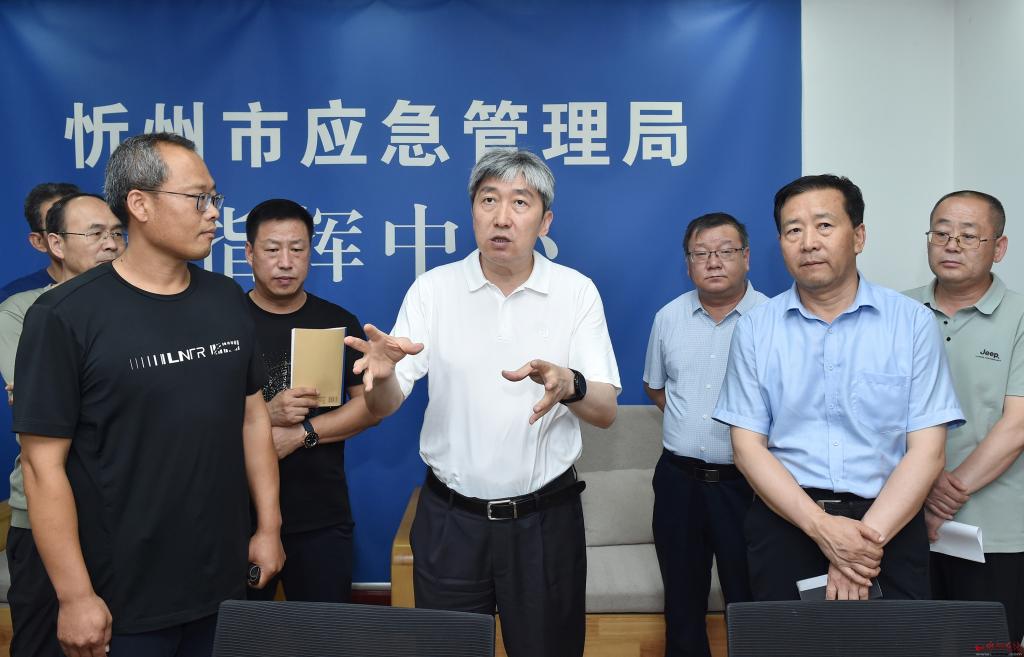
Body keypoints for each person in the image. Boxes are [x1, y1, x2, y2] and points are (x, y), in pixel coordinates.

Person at [13, 132, 284, 657]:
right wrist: (74, 596)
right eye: (198, 198)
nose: (214, 213)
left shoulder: (226, 298)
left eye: (215, 198)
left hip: (223, 580)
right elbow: (42, 467)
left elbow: (253, 417)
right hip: (121, 596)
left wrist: (269, 527)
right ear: (139, 204)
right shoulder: (64, 316)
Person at [346, 149, 620, 657]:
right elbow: (385, 404)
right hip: (452, 521)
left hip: (544, 522)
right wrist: (379, 378)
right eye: (489, 200)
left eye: (520, 202)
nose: (502, 216)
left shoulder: (575, 292)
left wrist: (570, 384)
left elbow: (604, 410)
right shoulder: (433, 290)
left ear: (545, 221)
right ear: (472, 211)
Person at [713, 174, 964, 602]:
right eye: (793, 230)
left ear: (859, 236)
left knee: (892, 639)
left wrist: (861, 544)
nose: (809, 242)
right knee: (787, 640)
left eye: (825, 225)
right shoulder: (755, 329)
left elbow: (928, 451)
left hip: (889, 525)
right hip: (789, 522)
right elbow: (747, 448)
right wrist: (823, 529)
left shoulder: (912, 323)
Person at [1, 192, 124, 657]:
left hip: (122, 512)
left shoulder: (141, 306)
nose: (110, 244)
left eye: (117, 233)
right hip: (42, 514)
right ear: (54, 243)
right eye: (95, 234)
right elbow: (36, 401)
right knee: (42, 642)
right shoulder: (23, 310)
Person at [643, 212, 766, 657]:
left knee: (749, 597)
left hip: (749, 486)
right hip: (679, 482)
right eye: (701, 253)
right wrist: (691, 424)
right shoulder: (668, 318)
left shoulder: (775, 319)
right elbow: (656, 388)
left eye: (725, 251)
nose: (714, 262)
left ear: (746, 257)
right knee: (681, 599)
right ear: (688, 263)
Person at [243, 198, 378, 603]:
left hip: (321, 517)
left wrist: (302, 434)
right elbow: (195, 415)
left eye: (297, 249)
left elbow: (369, 407)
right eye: (272, 249)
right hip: (237, 517)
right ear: (249, 253)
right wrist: (266, 416)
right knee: (239, 633)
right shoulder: (223, 321)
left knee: (323, 632)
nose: (285, 262)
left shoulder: (338, 322)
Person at [904, 190, 1024, 640]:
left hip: (996, 532)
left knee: (987, 647)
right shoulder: (896, 311)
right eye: (941, 233)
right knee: (908, 646)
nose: (951, 245)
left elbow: (1016, 426)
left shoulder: (1020, 316)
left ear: (999, 247)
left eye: (969, 236)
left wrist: (940, 497)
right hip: (901, 524)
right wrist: (921, 488)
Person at [0, 182, 79, 303]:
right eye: (57, 225)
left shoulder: (110, 283)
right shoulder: (13, 299)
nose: (76, 233)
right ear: (38, 242)